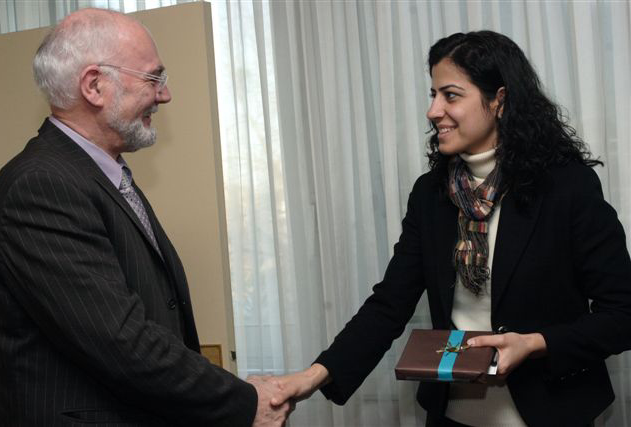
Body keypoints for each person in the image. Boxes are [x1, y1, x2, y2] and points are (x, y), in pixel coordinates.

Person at [268, 31, 631, 426]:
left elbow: (622, 314)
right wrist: (312, 376)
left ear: (499, 100)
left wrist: (533, 344)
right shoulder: (431, 195)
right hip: (451, 416)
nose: (433, 110)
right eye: (433, 94)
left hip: (550, 413)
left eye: (451, 95)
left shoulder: (566, 187)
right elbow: (389, 304)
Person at [0, 8, 289, 427]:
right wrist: (243, 403)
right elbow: (120, 340)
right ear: (94, 85)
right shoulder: (42, 185)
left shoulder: (96, 173)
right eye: (154, 78)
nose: (165, 95)